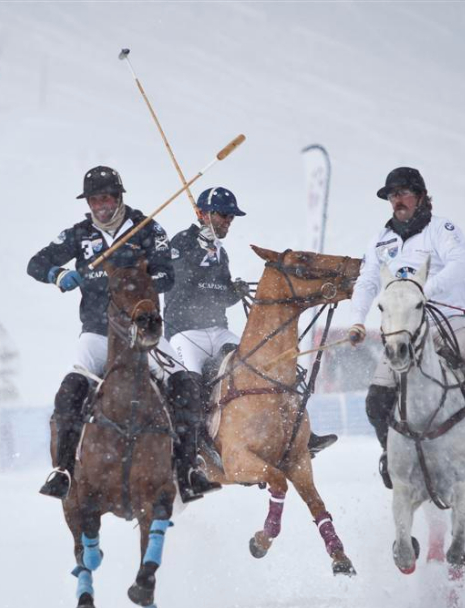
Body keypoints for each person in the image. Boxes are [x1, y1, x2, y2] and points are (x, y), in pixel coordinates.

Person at [346, 167, 465, 486]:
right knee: (376, 401)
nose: (397, 200)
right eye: (392, 196)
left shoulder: (441, 229)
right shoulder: (380, 240)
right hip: (404, 333)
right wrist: (357, 319)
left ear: (420, 196)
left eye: (403, 193)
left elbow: (462, 264)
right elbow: (367, 282)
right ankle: (390, 456)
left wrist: (423, 291)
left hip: (448, 325)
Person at [27, 165, 207, 501]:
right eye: (94, 200)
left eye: (107, 198)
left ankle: (189, 470)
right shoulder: (79, 235)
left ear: (119, 197)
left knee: (184, 385)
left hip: (143, 333)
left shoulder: (146, 229)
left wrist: (134, 277)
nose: (101, 205)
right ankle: (63, 470)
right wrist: (58, 274)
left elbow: (167, 276)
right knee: (69, 391)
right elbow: (35, 263)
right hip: (97, 333)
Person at [164, 187, 336, 477]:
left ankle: (299, 433)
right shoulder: (181, 243)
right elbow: (182, 285)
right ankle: (193, 453)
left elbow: (221, 296)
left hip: (218, 329)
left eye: (230, 217)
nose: (227, 222)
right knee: (191, 387)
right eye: (223, 215)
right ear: (203, 214)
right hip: (185, 332)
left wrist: (234, 291)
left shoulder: (221, 253)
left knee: (261, 366)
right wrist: (201, 254)